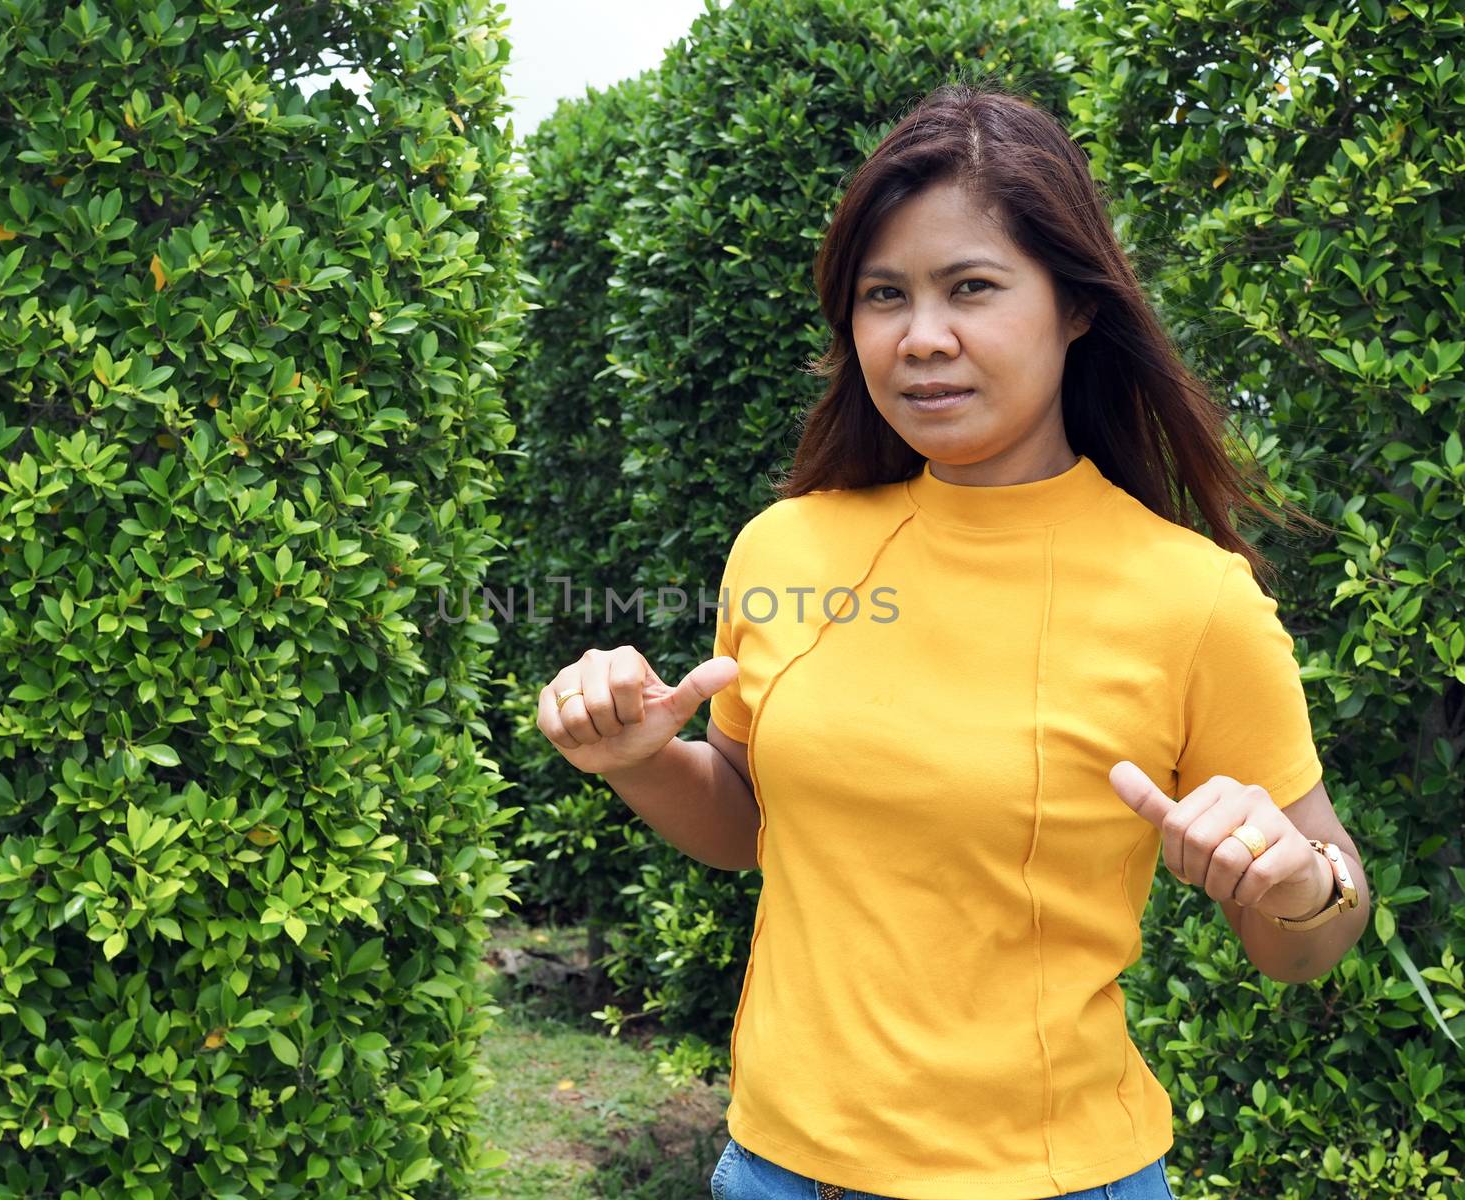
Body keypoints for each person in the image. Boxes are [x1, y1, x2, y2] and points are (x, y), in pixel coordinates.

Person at [535, 81, 1369, 1200]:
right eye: (885, 296)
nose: (923, 339)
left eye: (971, 288)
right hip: (775, 1169)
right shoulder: (785, 549)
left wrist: (1291, 882)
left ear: (1075, 306)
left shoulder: (1191, 599)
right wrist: (638, 760)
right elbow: (751, 823)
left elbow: (1308, 942)